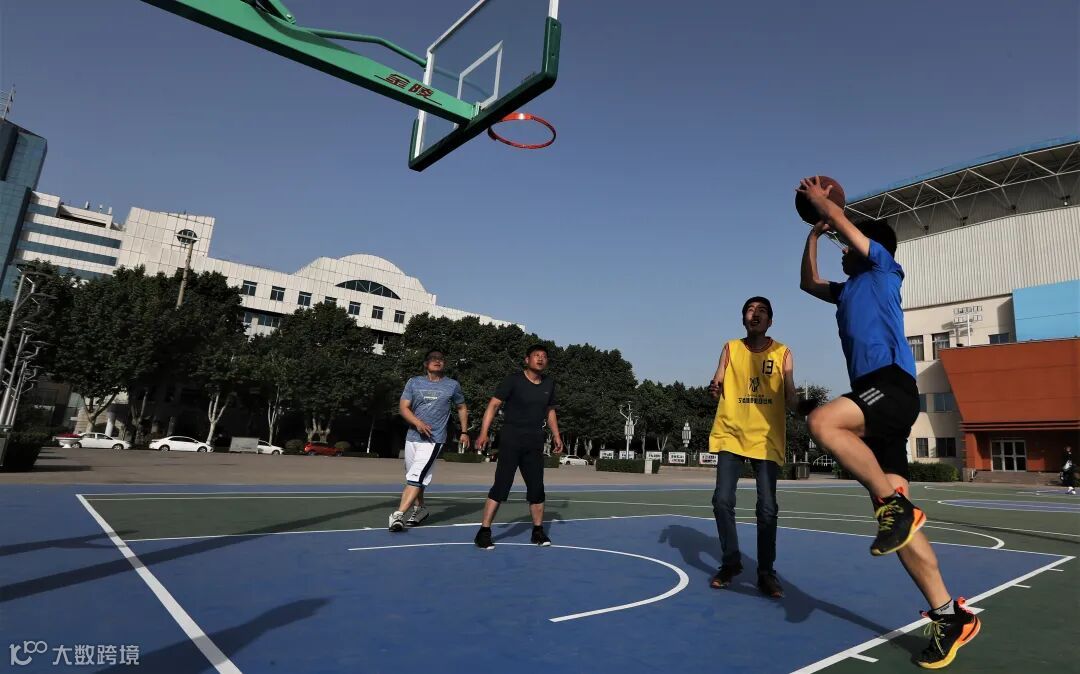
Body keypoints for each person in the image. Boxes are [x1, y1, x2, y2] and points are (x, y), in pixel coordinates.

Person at [798, 176, 980, 669]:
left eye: (848, 245)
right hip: (877, 404)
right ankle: (949, 614)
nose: (843, 251)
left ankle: (894, 507)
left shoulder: (883, 269)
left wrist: (828, 209)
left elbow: (851, 232)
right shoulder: (847, 291)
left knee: (823, 423)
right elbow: (808, 283)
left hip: (891, 386)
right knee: (900, 529)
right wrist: (814, 234)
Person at [707, 296, 799, 598]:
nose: (755, 314)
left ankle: (765, 573)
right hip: (732, 433)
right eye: (750, 310)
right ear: (743, 319)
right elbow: (718, 380)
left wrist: (808, 409)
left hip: (766, 437)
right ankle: (731, 562)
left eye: (762, 311)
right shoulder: (730, 348)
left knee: (768, 507)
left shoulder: (783, 353)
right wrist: (715, 387)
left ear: (770, 320)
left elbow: (790, 394)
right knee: (721, 500)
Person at [474, 344, 563, 550]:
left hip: (535, 442)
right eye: (536, 355)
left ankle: (538, 531)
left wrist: (557, 435)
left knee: (537, 488)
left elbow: (550, 411)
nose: (540, 358)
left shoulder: (549, 383)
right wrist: (484, 432)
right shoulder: (513, 380)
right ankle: (484, 532)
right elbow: (493, 405)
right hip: (511, 439)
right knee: (501, 485)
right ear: (527, 360)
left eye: (544, 356)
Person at [388, 349, 469, 532]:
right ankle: (420, 509)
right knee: (416, 476)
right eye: (433, 358)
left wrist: (464, 432)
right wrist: (417, 423)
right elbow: (403, 407)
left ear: (444, 363)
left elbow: (461, 407)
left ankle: (398, 515)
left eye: (441, 358)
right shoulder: (414, 382)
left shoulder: (452, 385)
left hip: (434, 439)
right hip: (412, 438)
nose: (437, 361)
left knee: (416, 477)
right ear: (426, 364)